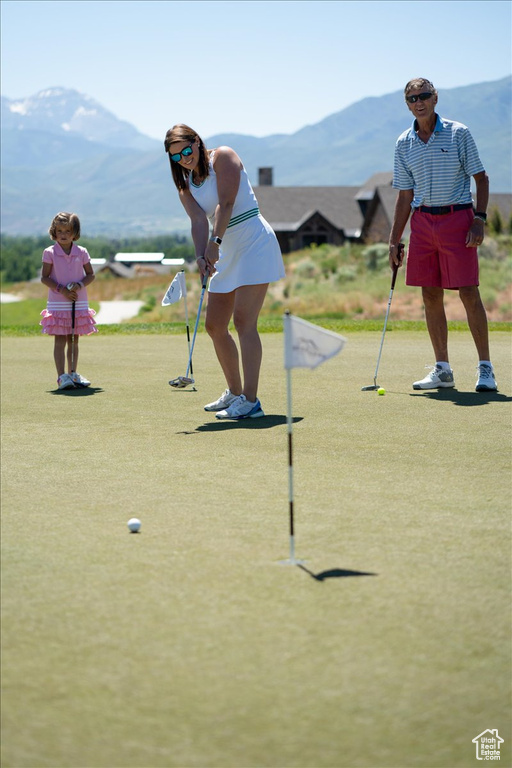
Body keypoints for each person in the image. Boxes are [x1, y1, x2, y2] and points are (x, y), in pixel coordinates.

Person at [164, 124, 285, 419]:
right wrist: (200, 256)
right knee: (215, 325)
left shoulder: (224, 156)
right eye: (177, 157)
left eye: (187, 150)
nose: (185, 159)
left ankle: (251, 401)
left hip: (254, 242)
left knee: (244, 321)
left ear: (197, 141)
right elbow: (197, 221)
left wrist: (214, 243)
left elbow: (226, 203)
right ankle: (234, 392)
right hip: (225, 248)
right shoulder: (184, 184)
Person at [389, 77, 497, 392]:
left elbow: (482, 178)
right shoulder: (403, 143)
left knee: (467, 291)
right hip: (422, 223)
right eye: (411, 98)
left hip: (458, 219)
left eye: (423, 96)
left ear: (435, 98)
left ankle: (486, 368)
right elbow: (404, 196)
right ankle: (443, 370)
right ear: (407, 104)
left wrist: (479, 218)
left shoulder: (458, 132)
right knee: (430, 294)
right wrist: (395, 240)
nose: (418, 102)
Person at [40, 212, 97, 389]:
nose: (63, 234)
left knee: (74, 339)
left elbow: (90, 275)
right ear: (54, 232)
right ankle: (61, 377)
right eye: (59, 230)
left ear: (75, 233)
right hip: (58, 301)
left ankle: (73, 374)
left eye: (67, 231)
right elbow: (45, 278)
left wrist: (79, 285)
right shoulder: (49, 252)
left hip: (78, 301)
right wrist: (62, 290)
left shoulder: (82, 252)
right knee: (60, 340)